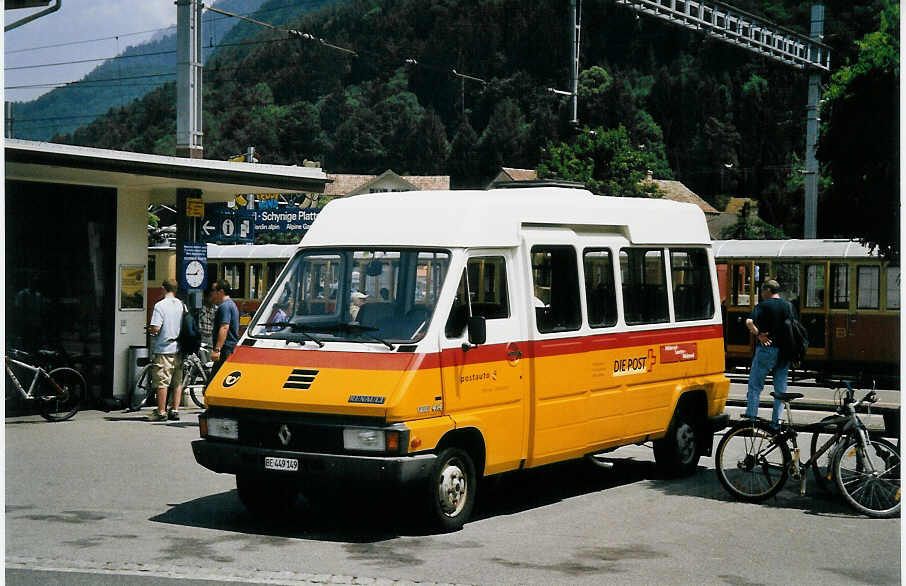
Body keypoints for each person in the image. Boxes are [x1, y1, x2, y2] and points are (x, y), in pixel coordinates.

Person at [744, 279, 792, 426]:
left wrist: (758, 334)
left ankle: (751, 418)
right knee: (780, 390)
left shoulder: (763, 306)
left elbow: (749, 322)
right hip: (784, 352)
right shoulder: (788, 306)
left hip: (766, 349)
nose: (762, 293)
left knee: (755, 386)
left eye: (762, 290)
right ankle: (775, 423)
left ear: (768, 290)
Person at [147, 278, 183, 422]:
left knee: (162, 380)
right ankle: (175, 410)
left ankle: (161, 412)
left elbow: (156, 328)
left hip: (164, 348)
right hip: (179, 348)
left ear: (163, 288)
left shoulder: (160, 306)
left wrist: (150, 329)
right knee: (177, 381)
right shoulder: (181, 305)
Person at [210, 279, 240, 378]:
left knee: (214, 381)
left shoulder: (225, 306)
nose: (212, 293)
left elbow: (224, 327)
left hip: (225, 349)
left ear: (221, 292)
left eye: (213, 290)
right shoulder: (231, 304)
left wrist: (217, 349)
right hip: (229, 347)